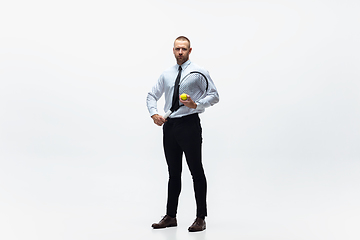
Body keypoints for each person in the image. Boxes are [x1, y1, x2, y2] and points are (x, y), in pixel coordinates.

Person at [146, 36, 219, 232]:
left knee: (196, 171)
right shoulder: (166, 74)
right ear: (173, 50)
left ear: (190, 50)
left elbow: (214, 95)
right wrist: (154, 113)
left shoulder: (198, 72)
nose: (180, 52)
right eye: (177, 49)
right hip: (170, 127)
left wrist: (197, 104)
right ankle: (170, 216)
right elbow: (152, 95)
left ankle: (200, 218)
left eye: (184, 49)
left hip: (189, 125)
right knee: (173, 173)